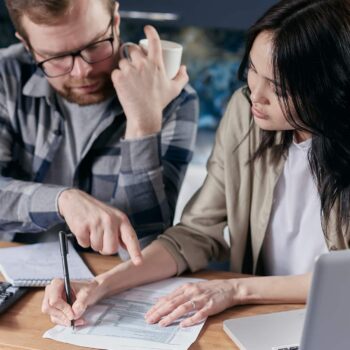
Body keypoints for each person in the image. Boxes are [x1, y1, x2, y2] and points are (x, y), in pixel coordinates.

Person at [42, 0, 350, 328]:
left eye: (279, 89)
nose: (255, 95)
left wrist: (236, 289)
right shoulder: (244, 115)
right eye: (253, 71)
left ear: (330, 88)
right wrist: (100, 285)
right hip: (263, 319)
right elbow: (195, 233)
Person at [0, 0, 198, 257]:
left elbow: (146, 249)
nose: (83, 71)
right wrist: (62, 201)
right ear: (27, 45)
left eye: (94, 46)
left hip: (110, 283)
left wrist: (142, 124)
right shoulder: (6, 77)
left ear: (115, 21)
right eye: (56, 57)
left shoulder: (174, 99)